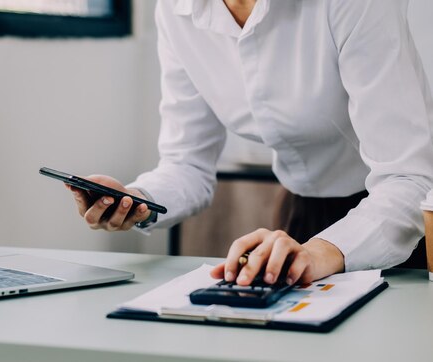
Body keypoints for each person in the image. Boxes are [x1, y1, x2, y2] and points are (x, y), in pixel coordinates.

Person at [67, 0, 433, 287]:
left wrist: (326, 250)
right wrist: (137, 198)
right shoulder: (177, 10)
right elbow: (186, 165)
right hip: (301, 216)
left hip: (404, 222)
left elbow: (410, 179)